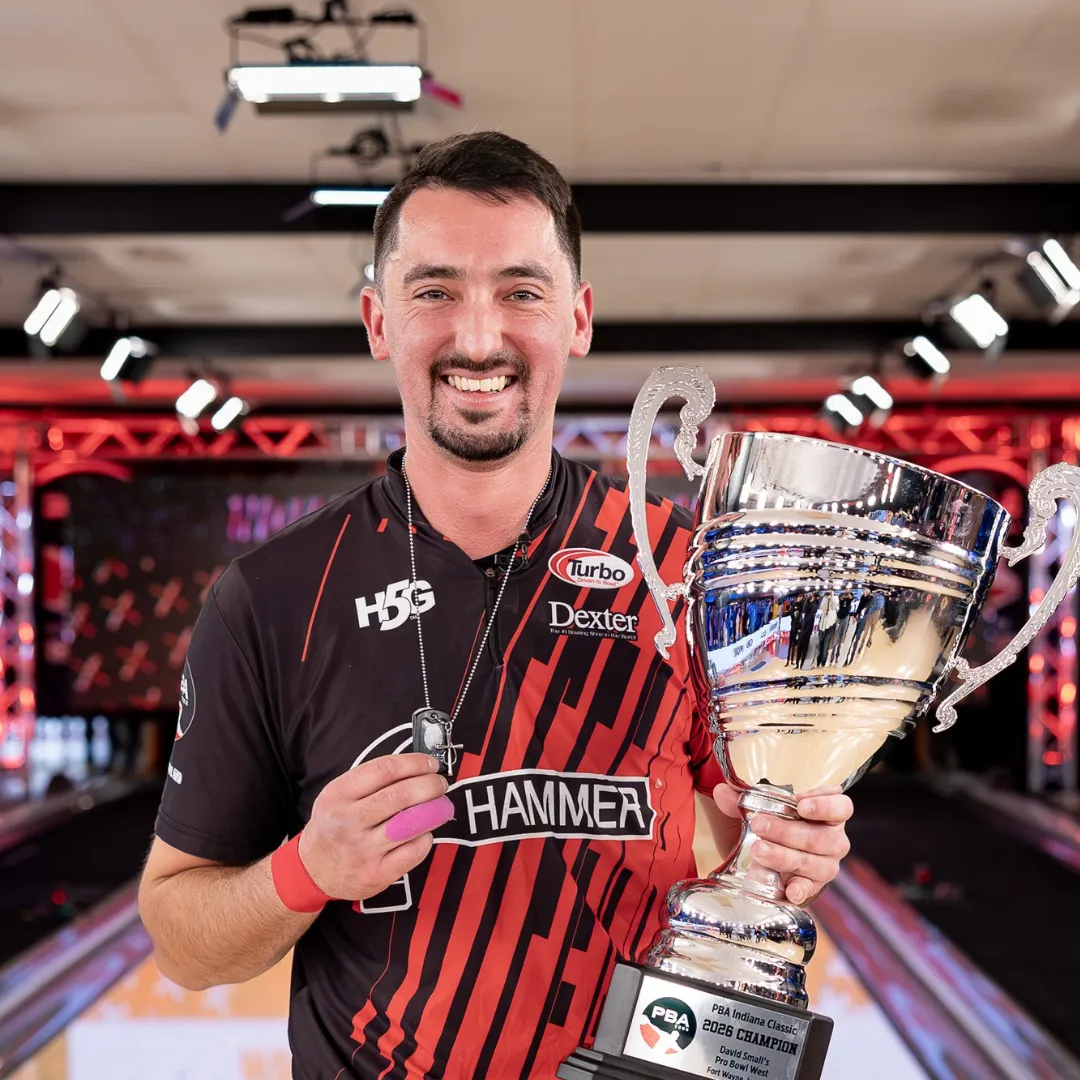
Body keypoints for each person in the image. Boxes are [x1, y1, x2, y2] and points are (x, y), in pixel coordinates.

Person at [138, 131, 853, 1080]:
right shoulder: (269, 600)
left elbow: (748, 843)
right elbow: (184, 943)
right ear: (378, 320)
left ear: (578, 318)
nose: (479, 338)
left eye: (522, 291)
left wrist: (785, 842)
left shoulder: (690, 570)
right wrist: (307, 867)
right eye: (434, 291)